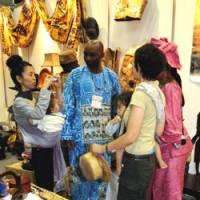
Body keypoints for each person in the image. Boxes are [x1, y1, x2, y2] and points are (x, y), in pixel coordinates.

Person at [90, 43, 166, 200]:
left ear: (139, 67)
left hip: (136, 163)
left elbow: (130, 136)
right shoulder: (157, 92)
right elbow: (158, 131)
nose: (131, 67)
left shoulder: (140, 95)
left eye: (133, 63)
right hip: (147, 160)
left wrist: (104, 148)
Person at [61, 40, 120, 200]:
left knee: (100, 179)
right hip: (78, 137)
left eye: (92, 54)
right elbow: (68, 104)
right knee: (79, 181)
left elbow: (117, 104)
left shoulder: (111, 77)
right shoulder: (75, 75)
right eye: (85, 53)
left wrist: (116, 130)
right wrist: (67, 134)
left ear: (101, 55)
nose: (87, 57)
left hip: (101, 137)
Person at [7, 55, 65, 191]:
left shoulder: (31, 96)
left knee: (50, 183)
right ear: (19, 79)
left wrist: (58, 89)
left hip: (47, 145)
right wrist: (44, 88)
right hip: (39, 149)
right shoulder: (19, 102)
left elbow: (58, 111)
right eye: (30, 74)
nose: (34, 77)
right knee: (45, 186)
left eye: (34, 74)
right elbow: (38, 115)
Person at [151, 37, 193, 200]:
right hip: (165, 149)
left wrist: (152, 131)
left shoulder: (171, 88)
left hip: (173, 150)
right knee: (159, 190)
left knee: (170, 193)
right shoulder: (161, 85)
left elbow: (173, 129)